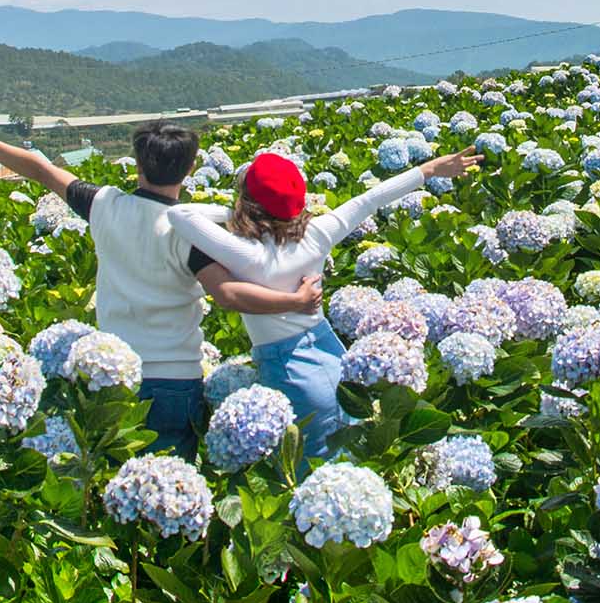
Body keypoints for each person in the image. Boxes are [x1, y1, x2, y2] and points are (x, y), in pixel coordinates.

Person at [168, 147, 480, 459]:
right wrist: (428, 170)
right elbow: (369, 200)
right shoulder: (317, 234)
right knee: (352, 458)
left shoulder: (246, 254)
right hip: (333, 355)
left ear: (249, 204)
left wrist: (233, 214)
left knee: (309, 469)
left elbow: (178, 214)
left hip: (289, 370)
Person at [0, 110, 209, 456]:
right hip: (178, 380)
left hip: (115, 376)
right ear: (190, 168)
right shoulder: (195, 230)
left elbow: (41, 169)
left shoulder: (105, 205)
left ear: (137, 164)